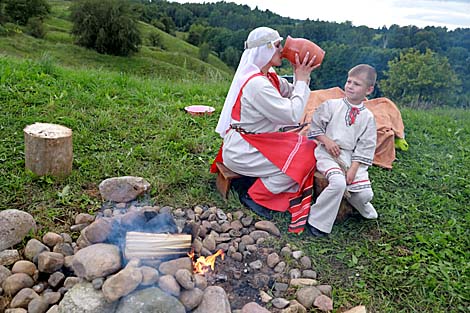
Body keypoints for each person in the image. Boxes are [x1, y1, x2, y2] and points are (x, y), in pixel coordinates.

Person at [211, 26, 319, 233]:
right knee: (305, 159)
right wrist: (302, 80)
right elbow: (292, 114)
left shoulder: (268, 76)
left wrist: (300, 74)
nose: (282, 50)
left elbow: (293, 93)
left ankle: (260, 182)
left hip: (257, 142)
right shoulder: (257, 84)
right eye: (278, 46)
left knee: (307, 147)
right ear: (264, 50)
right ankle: (255, 196)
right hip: (243, 151)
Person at [306, 64, 379, 237]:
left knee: (365, 194)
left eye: (357, 84)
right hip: (328, 153)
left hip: (352, 158)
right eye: (349, 81)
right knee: (338, 183)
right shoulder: (331, 105)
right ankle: (317, 221)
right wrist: (327, 140)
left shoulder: (368, 117)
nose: (350, 86)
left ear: (368, 90)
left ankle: (357, 203)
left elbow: (366, 145)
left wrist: (353, 169)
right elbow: (315, 127)